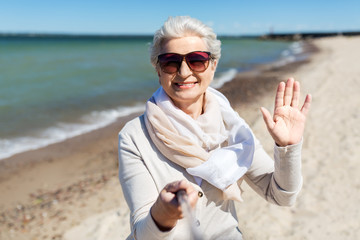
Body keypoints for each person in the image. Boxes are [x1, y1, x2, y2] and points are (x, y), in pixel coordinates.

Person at [118, 16, 311, 240]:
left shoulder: (233, 127)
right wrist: (163, 213)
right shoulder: (134, 136)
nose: (183, 71)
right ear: (158, 70)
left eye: (196, 60)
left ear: (213, 65)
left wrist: (287, 146)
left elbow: (281, 196)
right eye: (170, 61)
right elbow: (142, 234)